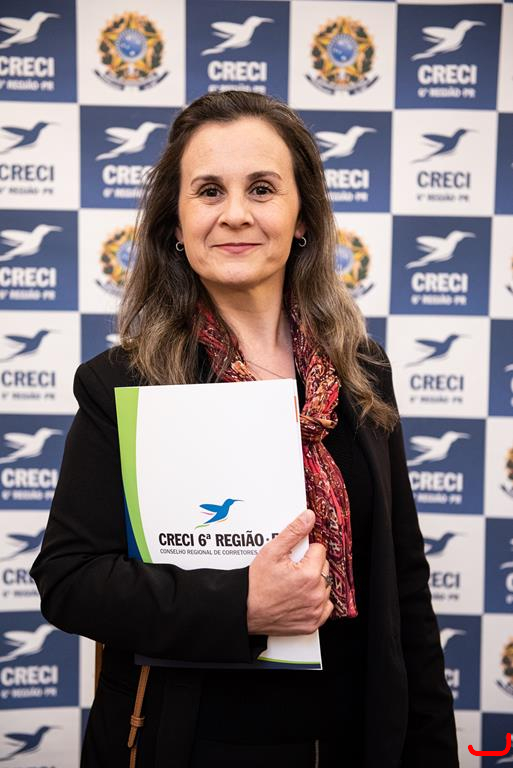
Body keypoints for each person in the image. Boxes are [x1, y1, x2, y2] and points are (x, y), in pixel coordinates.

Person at [31, 91, 459, 768]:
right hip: (191, 744)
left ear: (302, 218)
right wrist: (242, 604)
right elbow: (69, 580)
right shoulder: (124, 384)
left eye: (261, 188)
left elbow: (404, 587)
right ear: (176, 224)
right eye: (208, 191)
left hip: (356, 740)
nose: (235, 213)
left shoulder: (362, 372)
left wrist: (431, 749)